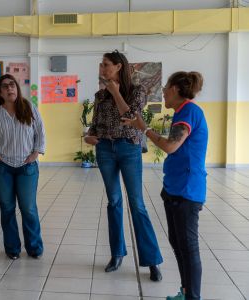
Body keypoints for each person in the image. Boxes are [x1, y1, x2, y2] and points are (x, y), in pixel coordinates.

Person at [122, 71, 208, 300]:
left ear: (177, 90)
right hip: (175, 188)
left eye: (166, 87)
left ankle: (193, 297)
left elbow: (170, 146)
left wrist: (144, 128)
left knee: (188, 247)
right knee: (178, 244)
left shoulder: (189, 111)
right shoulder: (182, 112)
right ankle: (186, 291)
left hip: (187, 191)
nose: (163, 91)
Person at [84, 50, 163, 281]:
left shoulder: (137, 91)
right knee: (114, 202)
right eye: (101, 64)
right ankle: (117, 254)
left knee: (137, 204)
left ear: (119, 67)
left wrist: (116, 92)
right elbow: (95, 124)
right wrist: (91, 136)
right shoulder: (100, 95)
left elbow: (130, 115)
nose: (102, 68)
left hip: (129, 147)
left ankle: (152, 260)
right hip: (105, 149)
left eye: (106, 64)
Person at [0, 74, 45, 260]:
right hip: (1, 168)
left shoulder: (29, 108)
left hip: (27, 168)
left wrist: (36, 153)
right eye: (5, 87)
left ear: (17, 88)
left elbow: (41, 134)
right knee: (7, 208)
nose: (10, 88)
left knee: (28, 208)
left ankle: (34, 247)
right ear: (0, 93)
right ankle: (12, 248)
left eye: (13, 85)